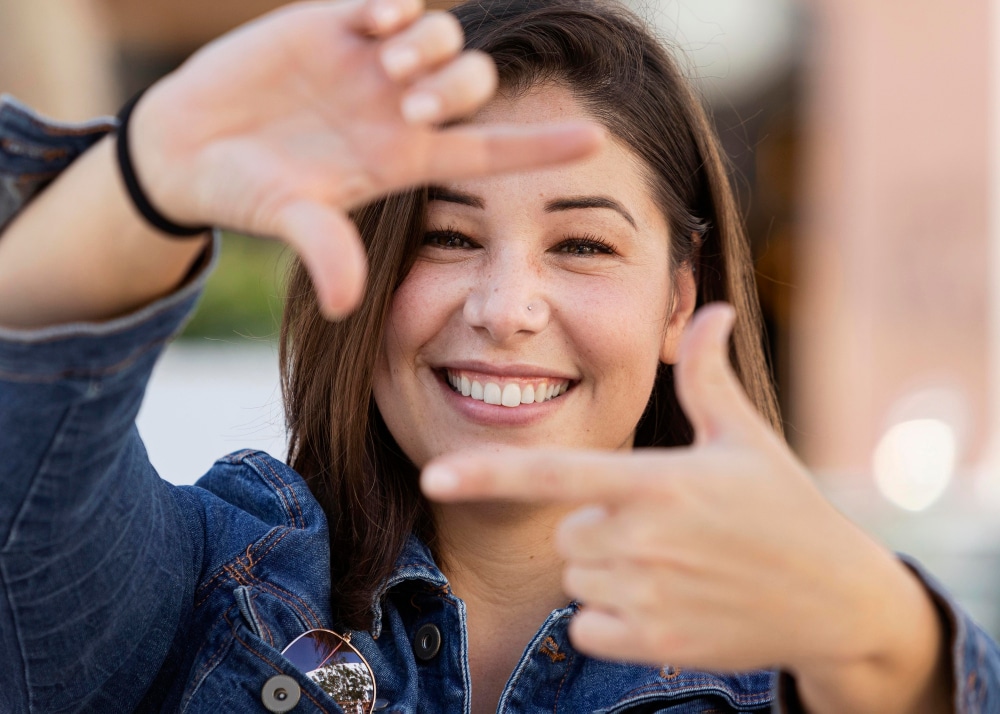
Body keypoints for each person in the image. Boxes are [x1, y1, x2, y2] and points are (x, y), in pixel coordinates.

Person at [0, 0, 996, 712]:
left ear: (678, 300)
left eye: (583, 245)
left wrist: (884, 634)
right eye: (446, 236)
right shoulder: (212, 582)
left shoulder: (792, 662)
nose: (505, 308)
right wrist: (148, 175)